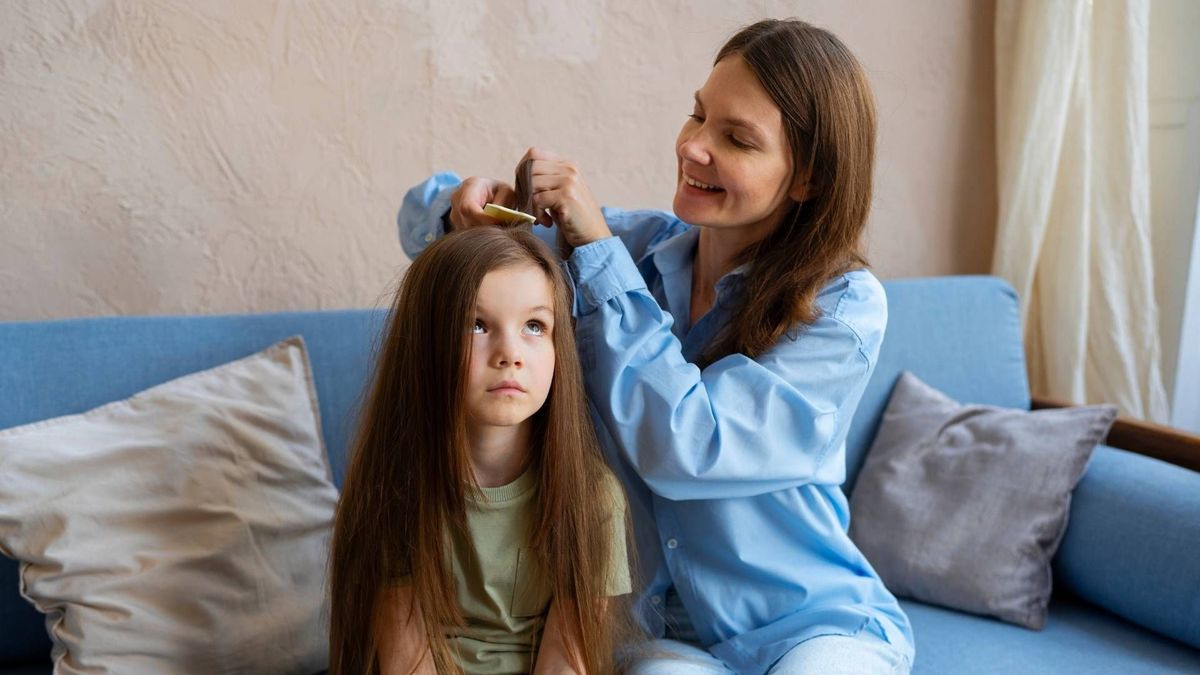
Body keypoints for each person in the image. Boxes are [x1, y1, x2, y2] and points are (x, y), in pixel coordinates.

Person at [398, 18, 914, 675]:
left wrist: (596, 253)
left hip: (812, 621)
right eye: (698, 115)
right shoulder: (628, 250)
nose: (694, 147)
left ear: (808, 176)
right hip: (660, 635)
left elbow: (688, 447)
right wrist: (456, 209)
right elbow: (429, 236)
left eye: (736, 138)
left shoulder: (843, 306)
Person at [328, 226, 633, 674]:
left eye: (534, 326)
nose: (510, 353)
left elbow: (568, 661)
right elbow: (406, 663)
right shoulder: (395, 489)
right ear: (426, 347)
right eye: (476, 325)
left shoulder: (593, 497)